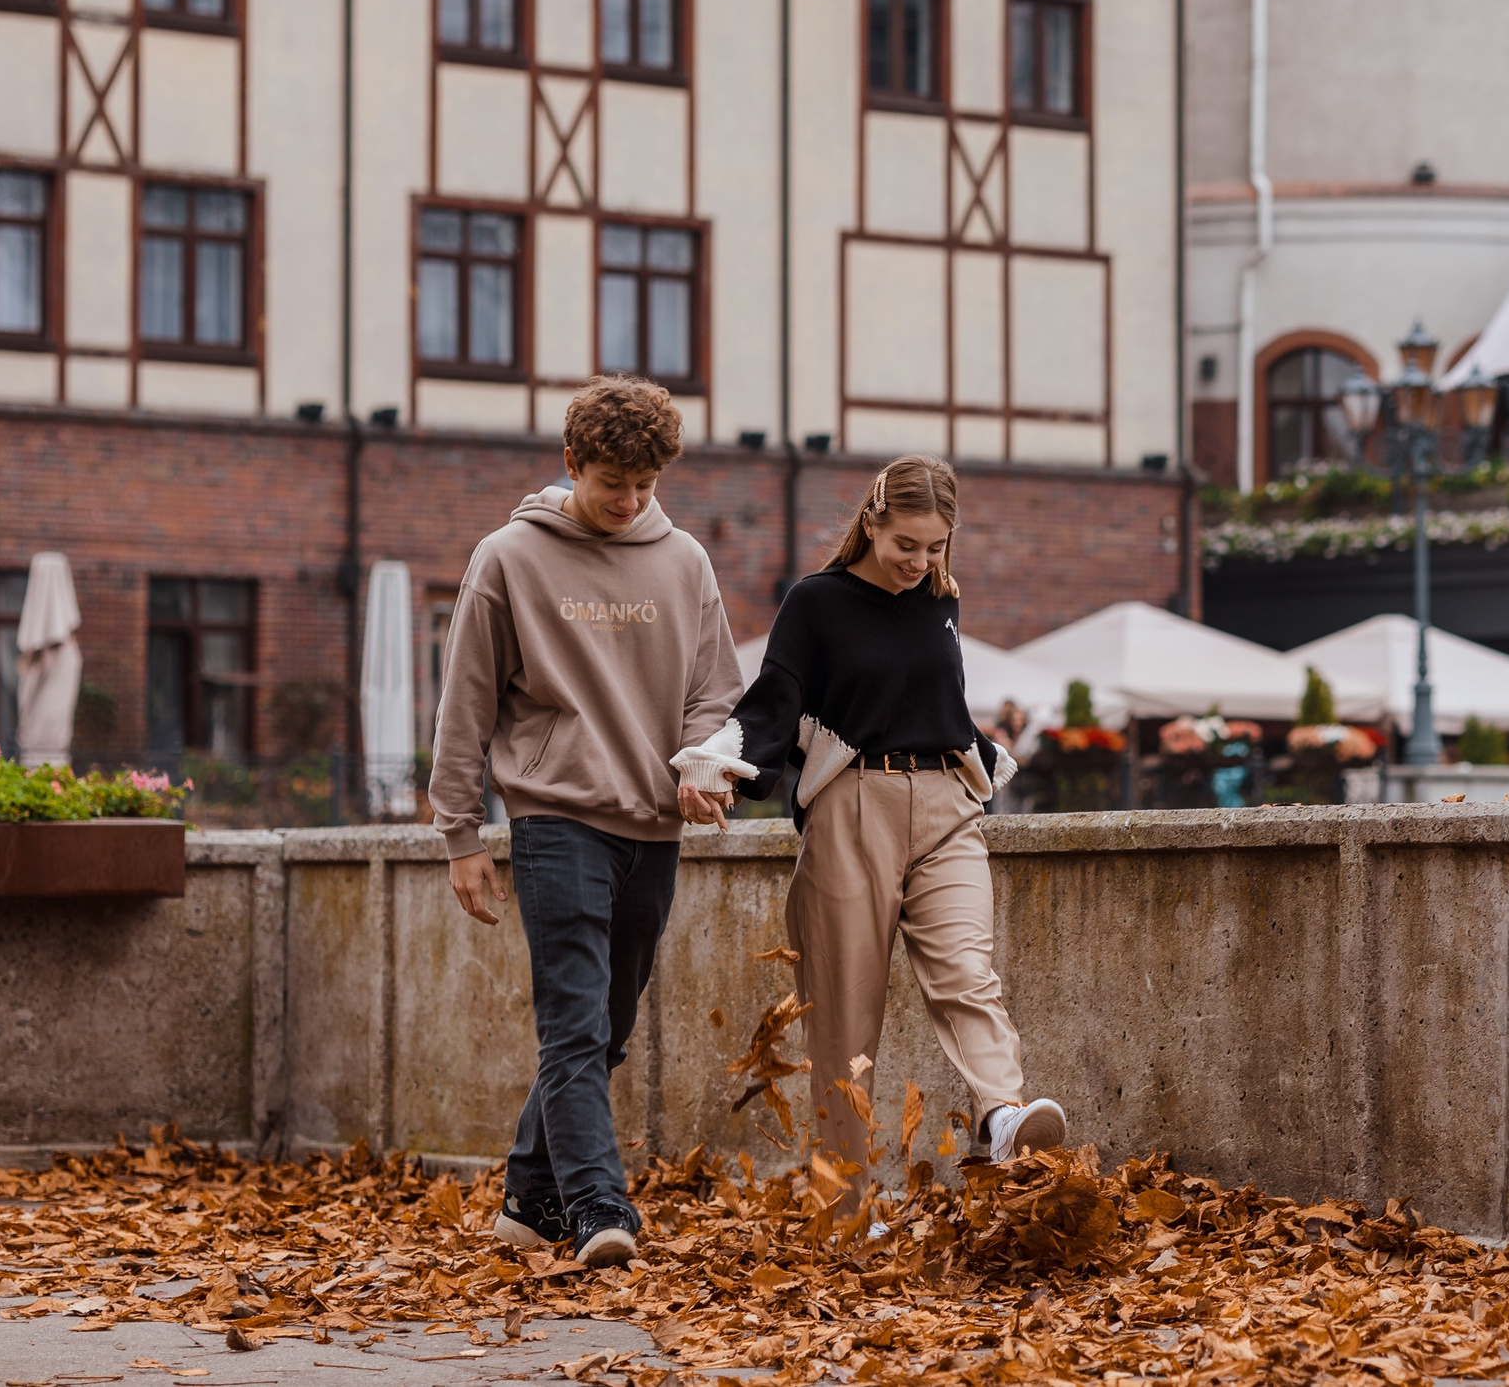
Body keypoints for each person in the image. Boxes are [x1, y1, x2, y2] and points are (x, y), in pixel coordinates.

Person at [674, 455, 1066, 1193]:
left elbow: (931, 697)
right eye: (906, 545)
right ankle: (843, 1200)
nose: (920, 561)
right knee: (845, 1021)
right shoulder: (816, 602)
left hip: (950, 803)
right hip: (854, 807)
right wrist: (721, 760)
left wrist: (984, 751)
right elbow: (779, 696)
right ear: (871, 523)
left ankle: (1003, 1113)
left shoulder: (941, 599)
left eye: (937, 546)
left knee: (967, 972)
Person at [432, 375, 743, 1270]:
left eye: (646, 485)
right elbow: (466, 705)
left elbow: (714, 693)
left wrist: (702, 765)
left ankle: (528, 1198)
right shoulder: (508, 556)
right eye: (613, 482)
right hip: (556, 817)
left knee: (607, 1026)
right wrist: (461, 834)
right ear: (572, 464)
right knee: (572, 1024)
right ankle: (598, 1207)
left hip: (654, 825)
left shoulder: (684, 559)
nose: (630, 501)